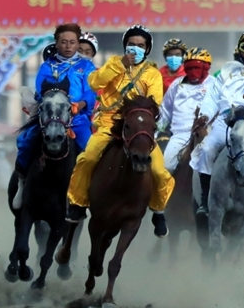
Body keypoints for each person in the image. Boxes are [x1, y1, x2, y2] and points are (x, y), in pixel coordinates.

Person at [65, 24, 175, 238]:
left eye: (141, 45)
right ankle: (77, 204)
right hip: (109, 125)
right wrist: (119, 66)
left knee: (160, 171)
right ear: (125, 46)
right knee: (87, 159)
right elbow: (94, 82)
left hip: (138, 129)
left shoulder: (152, 74)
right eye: (132, 44)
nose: (136, 48)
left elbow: (155, 103)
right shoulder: (113, 63)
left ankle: (159, 210)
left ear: (147, 48)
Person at [190, 31, 244, 226]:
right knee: (205, 150)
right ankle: (205, 201)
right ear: (239, 50)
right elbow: (212, 98)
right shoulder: (226, 71)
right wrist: (204, 116)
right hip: (225, 122)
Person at [15, 23, 96, 191]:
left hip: (77, 119)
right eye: (64, 42)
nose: (68, 46)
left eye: (72, 42)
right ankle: (22, 182)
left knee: (91, 149)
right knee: (24, 140)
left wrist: (81, 104)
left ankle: (88, 192)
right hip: (49, 117)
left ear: (77, 43)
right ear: (56, 43)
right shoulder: (46, 66)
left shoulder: (86, 66)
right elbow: (40, 91)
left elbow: (90, 92)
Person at [159, 47, 214, 173]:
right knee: (166, 167)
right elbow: (165, 111)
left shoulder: (215, 85)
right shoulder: (176, 85)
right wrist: (156, 131)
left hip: (208, 135)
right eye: (189, 68)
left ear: (205, 68)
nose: (193, 72)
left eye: (196, 68)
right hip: (180, 135)